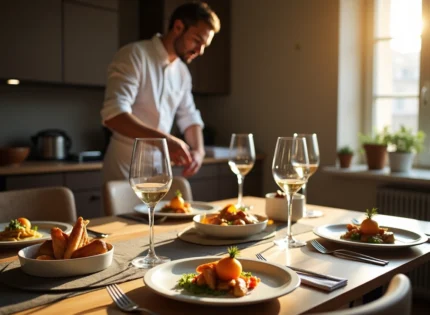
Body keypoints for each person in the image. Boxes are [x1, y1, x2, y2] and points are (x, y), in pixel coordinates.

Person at [100, 2, 220, 183]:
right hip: (125, 166)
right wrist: (165, 141)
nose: (200, 51)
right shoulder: (134, 55)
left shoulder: (182, 73)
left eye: (204, 45)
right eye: (196, 40)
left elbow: (189, 116)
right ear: (178, 27)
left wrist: (199, 151)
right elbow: (113, 114)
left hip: (159, 169)